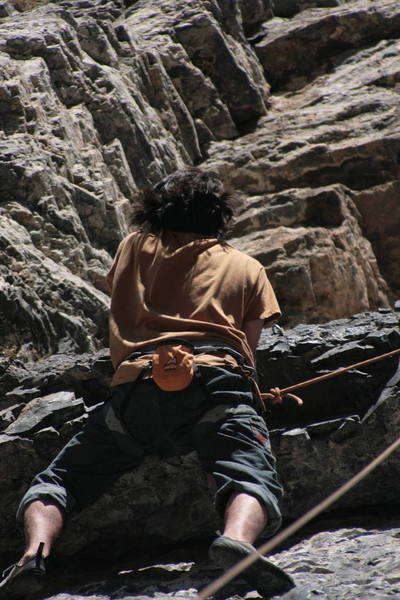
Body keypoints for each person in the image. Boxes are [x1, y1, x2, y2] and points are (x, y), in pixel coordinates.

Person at [0, 167, 294, 598]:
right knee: (249, 472)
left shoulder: (134, 249)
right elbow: (248, 350)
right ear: (220, 217)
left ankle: (34, 555)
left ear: (156, 211)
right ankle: (237, 540)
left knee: (62, 479)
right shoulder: (248, 267)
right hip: (218, 382)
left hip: (139, 385)